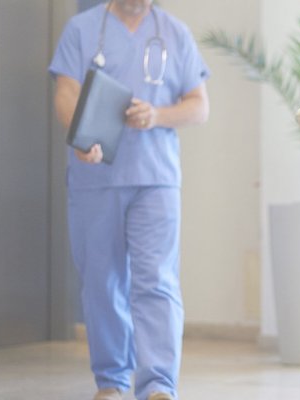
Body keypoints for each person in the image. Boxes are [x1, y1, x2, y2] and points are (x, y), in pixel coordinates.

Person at [48, 0, 209, 399]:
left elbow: (199, 106)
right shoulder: (81, 29)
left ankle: (158, 385)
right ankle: (112, 382)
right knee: (102, 283)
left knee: (157, 281)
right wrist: (80, 136)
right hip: (95, 176)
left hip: (155, 179)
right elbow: (65, 93)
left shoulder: (175, 33)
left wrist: (157, 115)